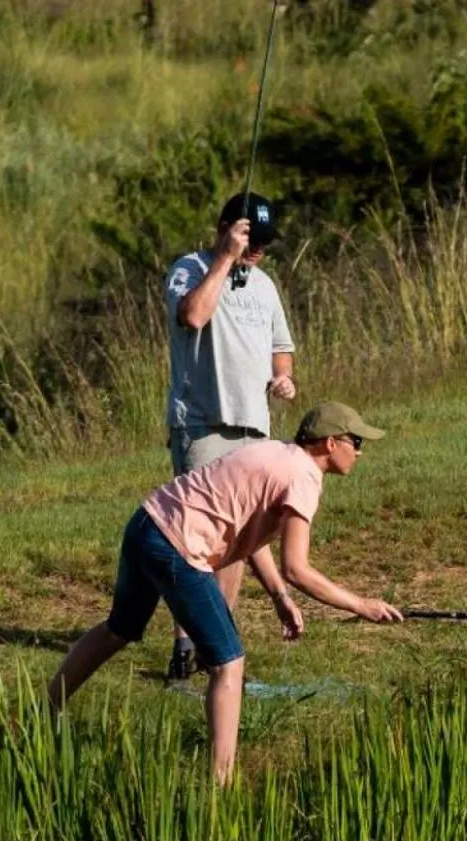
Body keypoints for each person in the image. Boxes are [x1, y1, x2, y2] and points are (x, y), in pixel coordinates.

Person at [48, 402, 404, 783]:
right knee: (229, 663)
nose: (361, 451)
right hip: (177, 545)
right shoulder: (303, 476)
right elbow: (298, 568)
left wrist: (279, 597)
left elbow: (249, 530)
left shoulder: (276, 452)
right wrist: (362, 605)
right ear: (331, 443)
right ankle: (222, 784)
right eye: (356, 442)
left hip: (147, 523)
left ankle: (46, 711)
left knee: (119, 629)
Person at [162, 191, 298, 680]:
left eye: (264, 242)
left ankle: (213, 644)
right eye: (250, 239)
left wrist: (283, 378)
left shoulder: (265, 286)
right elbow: (193, 316)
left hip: (254, 425)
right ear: (223, 228)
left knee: (237, 539)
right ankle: (183, 647)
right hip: (202, 424)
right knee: (194, 540)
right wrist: (224, 258)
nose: (257, 251)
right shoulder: (190, 268)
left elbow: (281, 349)